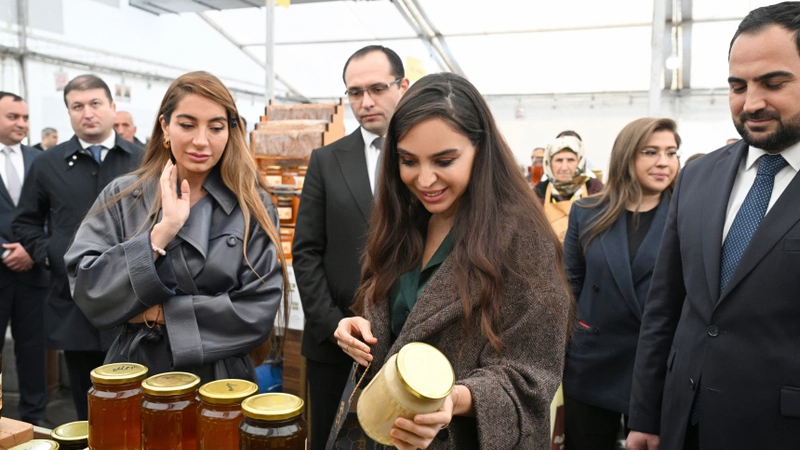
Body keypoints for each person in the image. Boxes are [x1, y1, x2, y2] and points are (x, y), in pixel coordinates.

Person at [333, 72, 572, 450]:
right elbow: (394, 314)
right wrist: (359, 326)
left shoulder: (524, 240)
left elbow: (533, 374)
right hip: (380, 429)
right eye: (408, 161)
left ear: (481, 150)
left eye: (444, 160)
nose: (425, 179)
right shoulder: (403, 218)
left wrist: (453, 399)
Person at [627, 3, 800, 449]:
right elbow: (664, 308)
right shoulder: (698, 177)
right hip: (682, 423)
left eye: (773, 83)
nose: (752, 102)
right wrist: (645, 414)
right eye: (737, 86)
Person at [64, 71, 288, 385]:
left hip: (220, 382)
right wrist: (161, 232)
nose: (201, 140)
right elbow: (88, 287)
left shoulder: (253, 205)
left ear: (230, 132)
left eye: (216, 127)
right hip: (134, 374)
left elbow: (259, 309)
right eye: (187, 124)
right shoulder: (124, 196)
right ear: (165, 126)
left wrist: (160, 314)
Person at [292, 45, 409, 450]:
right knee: (330, 437)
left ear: (403, 86)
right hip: (334, 343)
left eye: (377, 88)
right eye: (355, 92)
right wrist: (331, 325)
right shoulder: (326, 160)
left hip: (405, 343)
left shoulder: (421, 160)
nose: (366, 102)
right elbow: (305, 251)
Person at [12, 74, 143, 421]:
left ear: (113, 108)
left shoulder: (143, 161)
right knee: (90, 407)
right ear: (69, 112)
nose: (88, 113)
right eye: (78, 106)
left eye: (96, 104)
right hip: (75, 302)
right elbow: (25, 222)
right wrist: (52, 254)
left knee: (136, 401)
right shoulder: (47, 164)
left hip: (135, 300)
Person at [562, 118, 681, 450]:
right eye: (651, 152)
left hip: (654, 366)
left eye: (671, 153)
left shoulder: (686, 216)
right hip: (591, 362)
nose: (664, 162)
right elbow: (569, 287)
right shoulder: (586, 212)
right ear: (627, 156)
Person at [0, 92, 49, 426]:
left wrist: (34, 250)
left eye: (25, 118)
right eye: (13, 117)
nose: (22, 124)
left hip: (34, 272)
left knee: (33, 351)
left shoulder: (40, 160)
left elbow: (53, 212)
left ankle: (35, 421)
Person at [534, 135, 604, 241]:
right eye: (559, 160)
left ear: (580, 161)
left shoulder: (595, 189)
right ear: (549, 163)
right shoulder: (538, 193)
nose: (564, 167)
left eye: (571, 160)